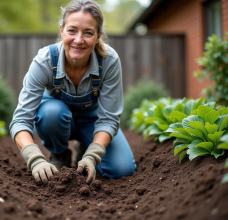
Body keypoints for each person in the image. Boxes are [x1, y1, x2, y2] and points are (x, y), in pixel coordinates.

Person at [9, 0, 136, 185]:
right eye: (72, 30)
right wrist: (35, 159)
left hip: (92, 122)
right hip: (56, 119)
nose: (78, 40)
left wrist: (92, 156)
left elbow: (109, 119)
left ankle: (85, 147)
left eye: (88, 33)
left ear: (98, 35)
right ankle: (59, 153)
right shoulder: (44, 60)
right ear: (62, 30)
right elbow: (20, 119)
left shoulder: (109, 61)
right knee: (51, 113)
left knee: (122, 169)